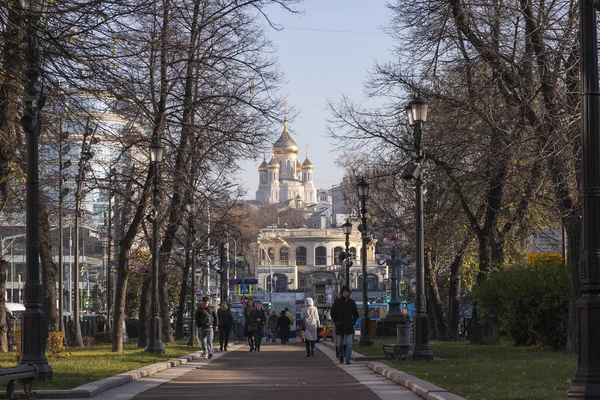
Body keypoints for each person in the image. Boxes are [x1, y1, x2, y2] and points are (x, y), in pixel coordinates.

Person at [331, 286, 358, 365]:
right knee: (339, 344)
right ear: (341, 293)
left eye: (347, 292)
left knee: (349, 343)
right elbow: (332, 313)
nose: (345, 293)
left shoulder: (351, 302)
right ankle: (341, 355)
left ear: (349, 293)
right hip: (340, 326)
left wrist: (353, 322)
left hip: (349, 326)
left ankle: (347, 359)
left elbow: (356, 314)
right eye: (344, 292)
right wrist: (336, 322)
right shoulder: (337, 302)